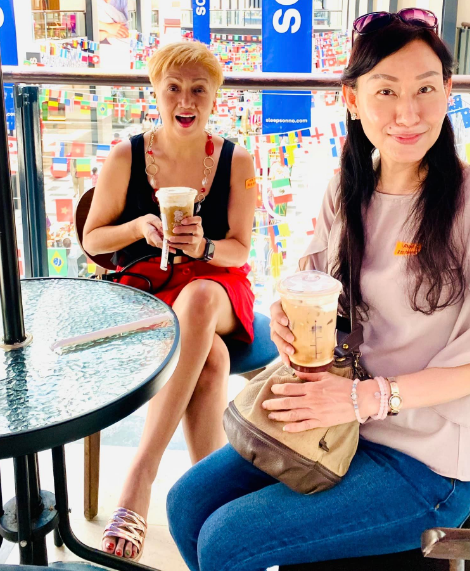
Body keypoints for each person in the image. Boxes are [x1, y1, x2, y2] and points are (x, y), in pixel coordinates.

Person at [166, 10, 470, 571]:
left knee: (225, 542)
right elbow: (310, 292)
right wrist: (286, 322)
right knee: (186, 504)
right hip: (342, 419)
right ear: (352, 99)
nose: (407, 113)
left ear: (448, 92)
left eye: (425, 89)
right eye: (386, 90)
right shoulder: (346, 188)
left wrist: (368, 399)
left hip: (430, 460)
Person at [82, 41, 257, 561]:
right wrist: (138, 226)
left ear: (214, 97)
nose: (186, 100)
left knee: (199, 300)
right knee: (210, 362)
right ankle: (213, 504)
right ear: (155, 93)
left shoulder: (236, 160)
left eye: (199, 89)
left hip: (217, 288)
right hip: (149, 291)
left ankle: (139, 478)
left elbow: (240, 249)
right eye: (174, 88)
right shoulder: (127, 156)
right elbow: (93, 240)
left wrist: (203, 246)